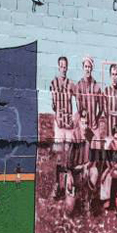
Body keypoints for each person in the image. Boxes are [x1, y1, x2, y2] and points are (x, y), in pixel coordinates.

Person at [50, 56, 75, 200]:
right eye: (61, 66)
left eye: (65, 66)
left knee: (69, 155)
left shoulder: (71, 84)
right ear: (58, 67)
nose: (63, 69)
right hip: (59, 125)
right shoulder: (53, 83)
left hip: (69, 124)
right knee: (59, 155)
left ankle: (67, 185)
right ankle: (57, 185)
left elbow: (77, 99)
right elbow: (53, 105)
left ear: (67, 67)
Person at [75, 56, 104, 143]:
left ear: (92, 68)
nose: (87, 69)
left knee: (97, 149)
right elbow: (78, 104)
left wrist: (96, 118)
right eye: (86, 66)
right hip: (83, 124)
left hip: (94, 125)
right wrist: (82, 116)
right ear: (83, 68)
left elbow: (101, 107)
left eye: (89, 67)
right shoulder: (79, 85)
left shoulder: (96, 86)